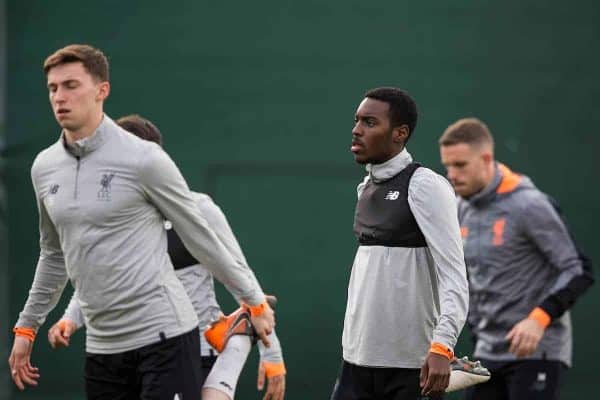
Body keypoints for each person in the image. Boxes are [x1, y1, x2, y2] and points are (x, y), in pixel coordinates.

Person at [8, 44, 274, 400]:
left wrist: (253, 302)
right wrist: (27, 328)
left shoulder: (144, 159)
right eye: (53, 88)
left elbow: (201, 238)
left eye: (71, 85)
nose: (60, 97)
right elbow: (54, 255)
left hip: (165, 337)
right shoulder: (43, 167)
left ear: (102, 90)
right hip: (103, 346)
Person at [47, 114, 286, 400]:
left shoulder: (198, 209)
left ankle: (238, 339)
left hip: (193, 348)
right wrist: (70, 320)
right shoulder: (111, 219)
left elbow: (241, 277)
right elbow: (99, 278)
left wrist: (272, 356)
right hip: (132, 349)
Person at [439, 117, 594, 400]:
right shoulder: (460, 208)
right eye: (447, 165)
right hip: (486, 355)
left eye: (460, 165)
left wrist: (538, 318)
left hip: (537, 353)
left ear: (486, 159)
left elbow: (578, 269)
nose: (451, 173)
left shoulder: (529, 204)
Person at [331, 87, 469, 400]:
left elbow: (454, 277)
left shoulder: (425, 186)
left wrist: (442, 345)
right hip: (355, 363)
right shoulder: (365, 187)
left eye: (369, 122)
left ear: (400, 133)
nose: (356, 130)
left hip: (411, 368)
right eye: (356, 121)